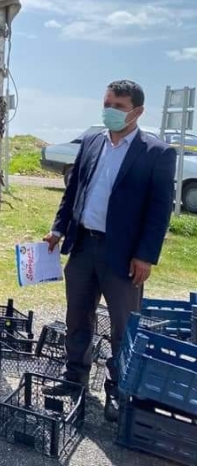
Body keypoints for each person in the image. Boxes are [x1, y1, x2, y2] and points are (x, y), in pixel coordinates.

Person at [42, 80, 176, 421]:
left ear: (137, 111)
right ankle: (74, 379)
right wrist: (58, 229)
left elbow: (159, 211)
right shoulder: (91, 142)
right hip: (84, 246)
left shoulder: (156, 152)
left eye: (118, 106)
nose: (110, 111)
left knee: (122, 327)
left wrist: (146, 255)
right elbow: (73, 191)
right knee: (77, 317)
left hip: (124, 255)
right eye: (107, 104)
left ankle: (119, 391)